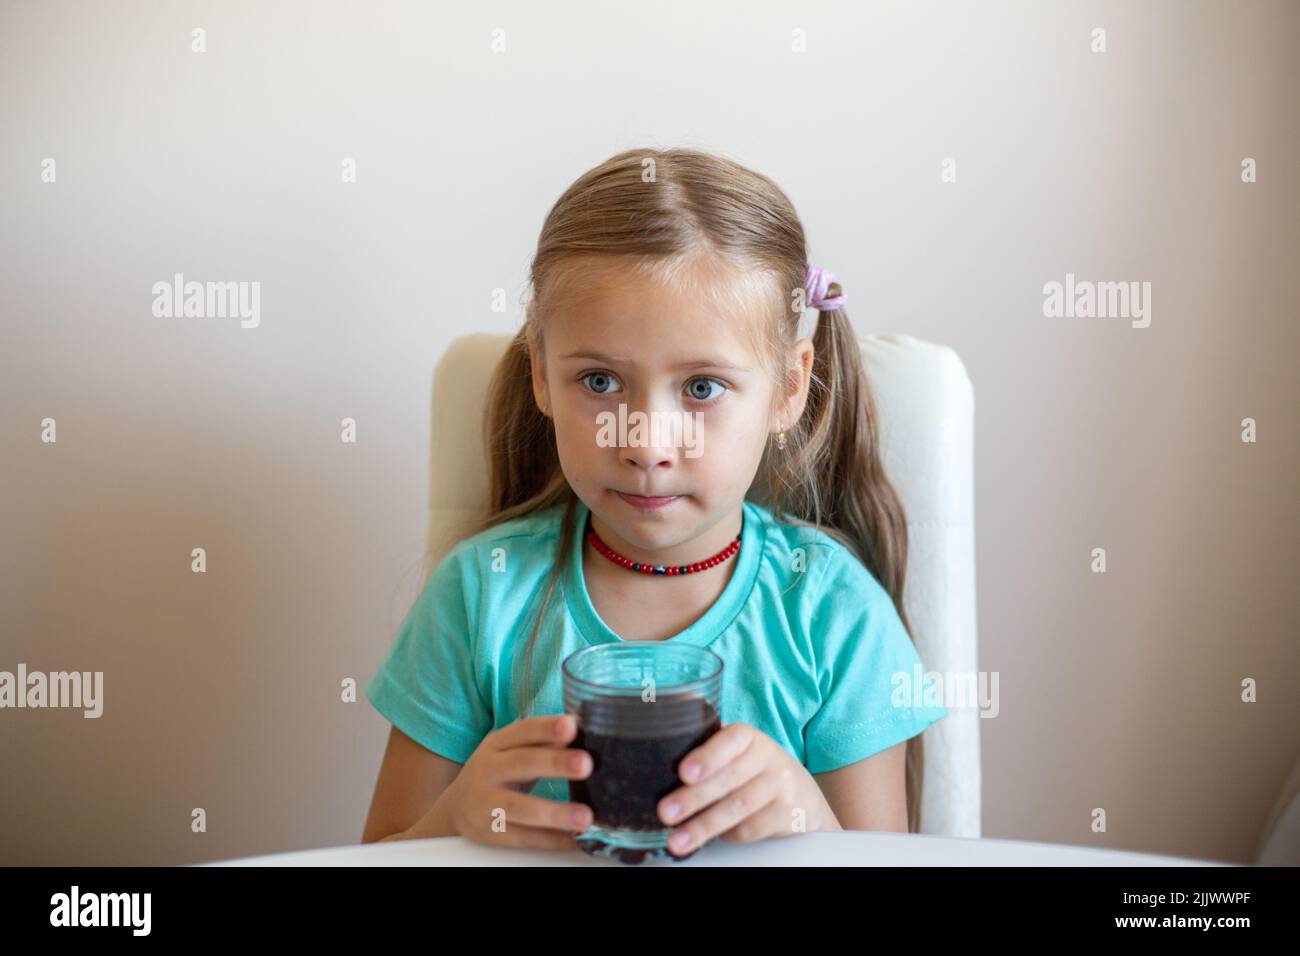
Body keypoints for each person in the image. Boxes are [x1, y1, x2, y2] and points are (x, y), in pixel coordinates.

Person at [360, 147, 947, 856]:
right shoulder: (479, 596)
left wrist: (807, 819)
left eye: (702, 388)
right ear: (542, 375)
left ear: (789, 389)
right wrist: (452, 822)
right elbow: (379, 856)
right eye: (600, 381)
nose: (645, 442)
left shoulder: (833, 614)